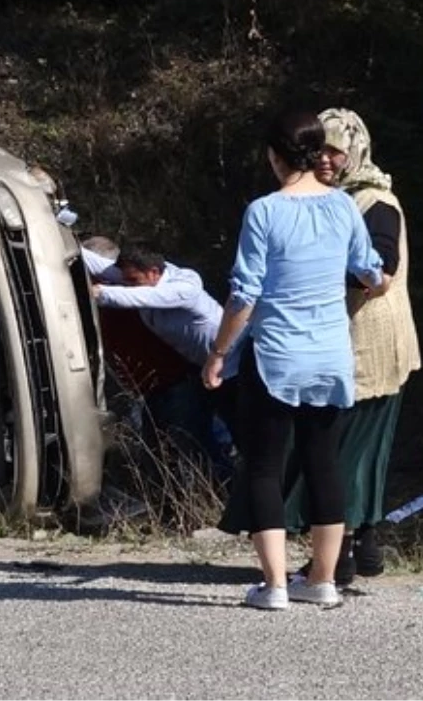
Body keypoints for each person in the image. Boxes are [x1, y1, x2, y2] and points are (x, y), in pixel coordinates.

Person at [202, 108, 386, 610]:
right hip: (330, 355)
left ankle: (275, 585)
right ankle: (323, 581)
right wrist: (381, 283)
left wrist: (219, 353)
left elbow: (244, 295)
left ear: (274, 156)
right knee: (323, 462)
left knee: (262, 466)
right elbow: (370, 270)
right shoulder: (344, 207)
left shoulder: (264, 211)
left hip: (277, 355)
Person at [285, 108, 422, 584]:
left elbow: (380, 273)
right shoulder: (333, 199)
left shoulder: (374, 202)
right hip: (343, 343)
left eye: (333, 150)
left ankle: (336, 554)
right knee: (358, 452)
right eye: (316, 149)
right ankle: (361, 544)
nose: (323, 159)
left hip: (369, 346)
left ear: (354, 152)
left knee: (345, 452)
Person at [82, 240, 240, 477]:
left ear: (154, 272)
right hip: (206, 369)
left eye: (132, 281)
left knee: (241, 433)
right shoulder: (142, 279)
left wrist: (99, 293)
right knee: (198, 437)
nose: (128, 285)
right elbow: (100, 265)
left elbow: (144, 297)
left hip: (234, 368)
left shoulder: (183, 286)